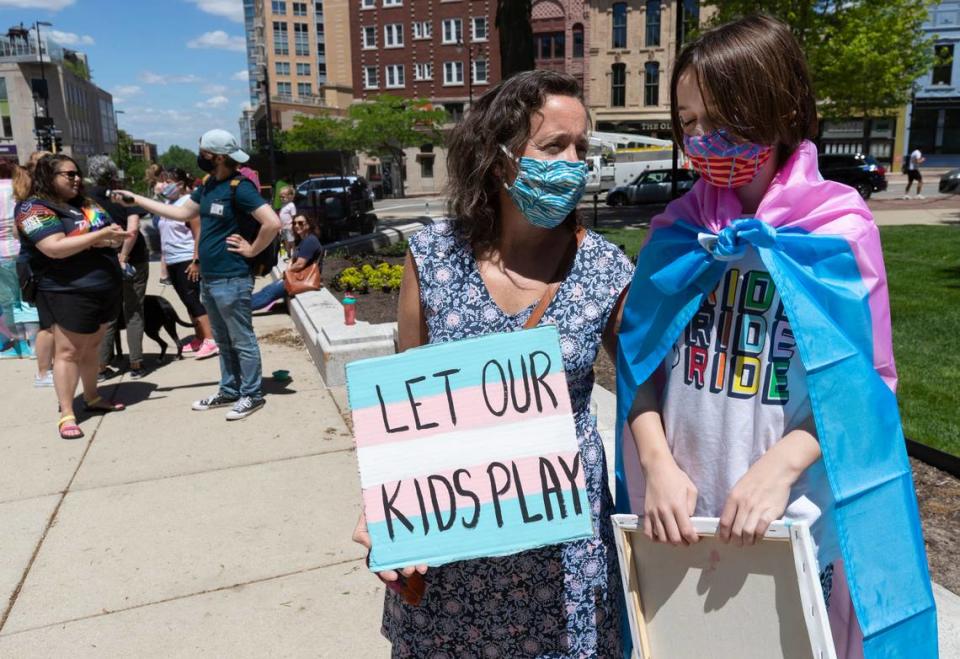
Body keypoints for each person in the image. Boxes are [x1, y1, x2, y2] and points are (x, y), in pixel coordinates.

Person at [615, 16, 936, 658]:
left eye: (720, 117)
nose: (701, 138)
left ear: (779, 106)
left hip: (789, 520)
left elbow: (865, 392)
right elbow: (637, 374)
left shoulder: (838, 234)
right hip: (679, 518)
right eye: (688, 121)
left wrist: (779, 467)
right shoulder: (674, 235)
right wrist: (655, 463)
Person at [351, 70, 634, 657]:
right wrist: (383, 506)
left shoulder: (607, 270)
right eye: (554, 146)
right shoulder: (432, 256)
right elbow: (408, 406)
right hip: (455, 542)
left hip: (563, 558)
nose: (574, 163)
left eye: (582, 148)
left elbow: (650, 392)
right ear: (500, 158)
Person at [111, 129, 281, 421]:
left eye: (202, 152)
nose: (199, 156)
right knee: (224, 341)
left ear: (215, 157)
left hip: (233, 277)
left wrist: (252, 250)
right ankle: (229, 389)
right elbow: (179, 213)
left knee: (242, 339)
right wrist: (136, 200)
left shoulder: (238, 187)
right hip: (212, 278)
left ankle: (251, 394)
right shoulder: (209, 185)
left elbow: (273, 222)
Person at [16, 154, 131, 439]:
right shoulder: (33, 208)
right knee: (67, 352)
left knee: (91, 347)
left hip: (103, 286)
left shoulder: (86, 204)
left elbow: (102, 236)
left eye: (77, 173)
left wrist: (107, 238)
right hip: (66, 291)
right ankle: (67, 413)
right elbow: (54, 247)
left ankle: (92, 398)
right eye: (69, 174)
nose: (77, 178)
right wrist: (98, 237)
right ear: (48, 176)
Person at [86, 156, 150, 379]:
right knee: (133, 310)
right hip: (134, 259)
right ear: (114, 173)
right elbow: (132, 230)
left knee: (107, 314)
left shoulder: (86, 199)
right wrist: (124, 256)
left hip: (102, 259)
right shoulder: (124, 195)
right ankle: (136, 363)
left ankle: (102, 366)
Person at [156, 168, 217, 359]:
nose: (163, 185)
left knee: (193, 299)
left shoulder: (189, 203)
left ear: (180, 184)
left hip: (186, 259)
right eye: (162, 181)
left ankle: (210, 339)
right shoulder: (168, 204)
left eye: (167, 181)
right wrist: (164, 264)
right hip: (173, 260)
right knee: (186, 301)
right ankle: (199, 337)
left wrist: (196, 260)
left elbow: (198, 233)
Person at [14, 152, 55, 384]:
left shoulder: (28, 200)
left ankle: (50, 369)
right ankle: (43, 373)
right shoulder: (32, 203)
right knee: (47, 325)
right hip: (36, 268)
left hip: (31, 264)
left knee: (49, 324)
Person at [251, 213, 323, 312]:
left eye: (300, 223)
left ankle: (240, 309)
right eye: (294, 223)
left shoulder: (310, 241)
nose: (297, 225)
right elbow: (294, 260)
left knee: (269, 293)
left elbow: (300, 264)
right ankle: (239, 306)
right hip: (296, 276)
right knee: (267, 289)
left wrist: (285, 273)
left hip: (302, 279)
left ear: (308, 225)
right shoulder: (304, 240)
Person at [0, 161, 19, 354]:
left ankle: (16, 341)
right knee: (24, 298)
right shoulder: (16, 189)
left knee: (7, 301)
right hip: (17, 246)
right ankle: (31, 341)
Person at [277, 186, 297, 256]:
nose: (281, 198)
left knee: (291, 241)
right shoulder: (283, 205)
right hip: (283, 227)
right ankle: (288, 254)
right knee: (286, 241)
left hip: (289, 226)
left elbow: (293, 216)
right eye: (280, 197)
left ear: (290, 196)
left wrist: (292, 225)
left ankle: (294, 254)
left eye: (283, 197)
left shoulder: (291, 205)